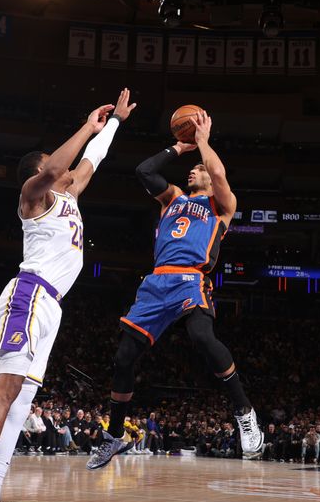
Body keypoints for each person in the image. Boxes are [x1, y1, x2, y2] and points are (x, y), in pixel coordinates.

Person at [0, 89, 135, 502]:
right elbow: (56, 167)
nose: (69, 168)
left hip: (51, 306)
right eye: (57, 164)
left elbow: (93, 161)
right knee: (7, 387)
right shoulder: (34, 197)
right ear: (39, 172)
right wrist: (87, 125)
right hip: (29, 295)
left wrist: (113, 124)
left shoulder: (70, 197)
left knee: (22, 402)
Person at [87, 111, 262, 471]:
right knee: (123, 359)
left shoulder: (221, 205)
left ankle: (244, 411)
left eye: (198, 169)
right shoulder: (174, 198)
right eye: (192, 168)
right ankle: (115, 434)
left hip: (190, 278)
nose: (193, 171)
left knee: (200, 335)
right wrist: (177, 148)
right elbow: (144, 172)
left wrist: (203, 141)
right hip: (155, 282)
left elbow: (217, 173)